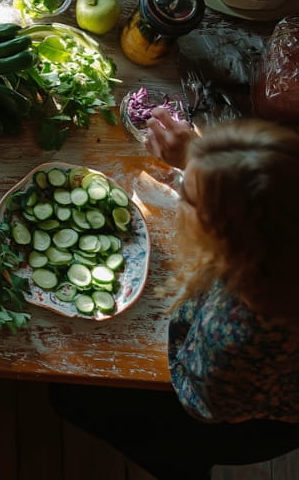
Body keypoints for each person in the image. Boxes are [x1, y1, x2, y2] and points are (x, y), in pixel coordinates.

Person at [49, 109, 299, 479]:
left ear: (222, 233)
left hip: (241, 421)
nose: (179, 191)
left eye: (188, 195)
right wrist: (202, 159)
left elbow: (201, 403)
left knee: (68, 395)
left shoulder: (233, 333)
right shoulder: (282, 226)